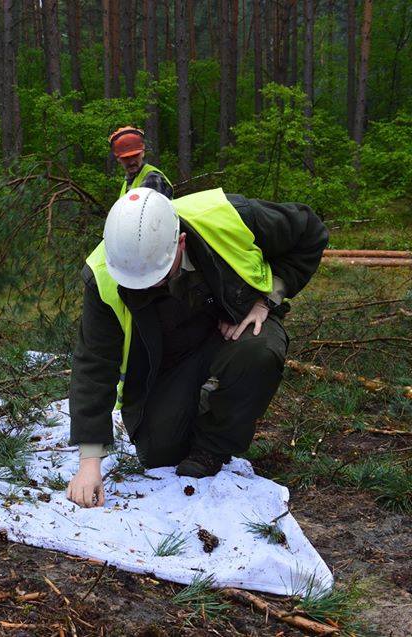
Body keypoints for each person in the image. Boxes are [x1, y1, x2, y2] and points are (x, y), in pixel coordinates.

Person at [66, 187, 328, 508]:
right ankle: (202, 401)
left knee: (259, 351)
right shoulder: (105, 274)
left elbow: (310, 230)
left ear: (181, 243)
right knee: (159, 454)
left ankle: (213, 445)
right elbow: (94, 363)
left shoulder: (230, 216)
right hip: (171, 359)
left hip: (234, 331)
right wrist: (89, 463)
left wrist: (266, 299)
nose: (147, 287)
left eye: (157, 277)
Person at [109, 126, 173, 200]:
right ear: (118, 158)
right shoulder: (129, 182)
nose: (132, 162)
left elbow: (144, 210)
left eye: (135, 155)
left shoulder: (152, 178)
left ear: (143, 153)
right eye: (126, 158)